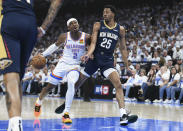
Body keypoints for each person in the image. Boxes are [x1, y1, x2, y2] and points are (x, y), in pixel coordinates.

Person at [57, 5, 138, 126]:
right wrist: (88, 54)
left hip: (107, 61)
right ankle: (66, 104)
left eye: (107, 12)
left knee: (118, 85)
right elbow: (93, 42)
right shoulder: (98, 25)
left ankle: (123, 115)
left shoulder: (120, 29)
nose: (104, 14)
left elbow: (123, 48)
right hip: (95, 59)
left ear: (113, 14)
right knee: (76, 84)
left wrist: (127, 66)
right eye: (103, 12)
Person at [0, 0, 64, 130]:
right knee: (17, 78)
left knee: (11, 75)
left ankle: (16, 125)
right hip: (29, 23)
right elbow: (57, 2)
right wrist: (44, 28)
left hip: (8, 19)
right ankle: (14, 124)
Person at [34, 18, 91, 124]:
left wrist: (89, 54)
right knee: (49, 87)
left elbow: (92, 47)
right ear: (68, 27)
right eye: (71, 23)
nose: (74, 24)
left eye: (76, 22)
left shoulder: (86, 37)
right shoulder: (64, 36)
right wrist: (43, 54)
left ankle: (66, 113)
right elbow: (54, 47)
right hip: (62, 64)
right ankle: (39, 101)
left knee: (71, 82)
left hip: (75, 65)